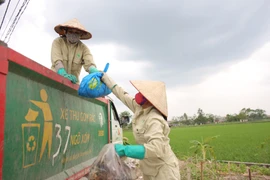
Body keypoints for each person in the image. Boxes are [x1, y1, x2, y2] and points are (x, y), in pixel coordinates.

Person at [101, 73, 181, 180]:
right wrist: (104, 77)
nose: (138, 95)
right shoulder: (140, 109)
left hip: (163, 172)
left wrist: (125, 150)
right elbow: (122, 94)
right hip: (149, 169)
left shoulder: (154, 119)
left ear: (149, 99)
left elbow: (156, 149)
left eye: (142, 93)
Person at [51, 18, 98, 84]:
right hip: (55, 80)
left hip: (72, 84)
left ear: (80, 35)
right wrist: (62, 73)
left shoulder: (83, 48)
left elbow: (89, 64)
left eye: (76, 33)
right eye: (71, 31)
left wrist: (95, 71)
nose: (73, 34)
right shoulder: (58, 42)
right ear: (65, 31)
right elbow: (57, 61)